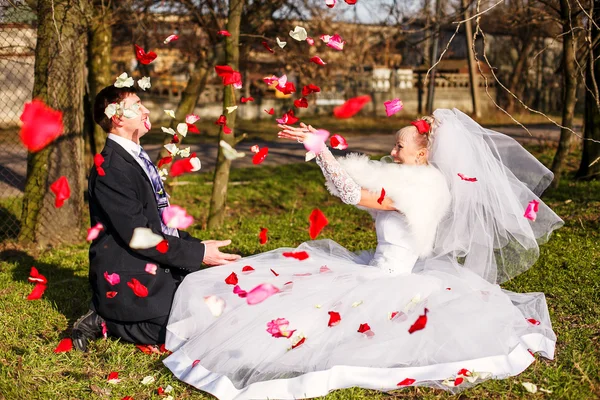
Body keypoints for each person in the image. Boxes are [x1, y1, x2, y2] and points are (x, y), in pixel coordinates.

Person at [162, 109, 563, 399]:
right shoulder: (412, 176)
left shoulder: (422, 187)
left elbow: (353, 193)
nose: (393, 149)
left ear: (422, 153)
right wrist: (318, 144)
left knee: (311, 320)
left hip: (390, 279)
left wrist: (320, 150)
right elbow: (356, 180)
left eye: (400, 145)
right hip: (376, 267)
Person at [71, 84, 241, 352]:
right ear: (117, 117)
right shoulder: (112, 168)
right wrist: (197, 254)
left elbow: (157, 220)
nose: (146, 109)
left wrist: (196, 247)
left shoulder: (135, 157)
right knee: (185, 327)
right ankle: (106, 318)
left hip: (157, 263)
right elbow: (139, 235)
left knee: (219, 307)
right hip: (133, 272)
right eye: (137, 105)